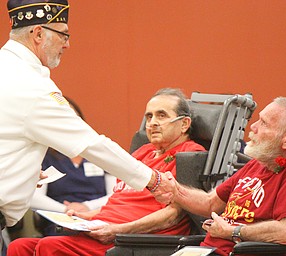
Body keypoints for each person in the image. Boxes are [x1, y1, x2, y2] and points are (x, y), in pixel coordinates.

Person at [0, 0, 167, 249]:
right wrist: (154, 180)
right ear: (38, 34)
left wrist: (18, 172)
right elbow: (91, 144)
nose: (67, 43)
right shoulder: (31, 85)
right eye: (63, 34)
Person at [6, 88, 206, 256]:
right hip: (104, 230)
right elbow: (118, 201)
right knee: (19, 247)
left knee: (49, 247)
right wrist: (85, 216)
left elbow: (173, 215)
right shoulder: (141, 152)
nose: (152, 122)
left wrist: (116, 230)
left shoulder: (190, 155)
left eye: (161, 115)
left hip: (135, 240)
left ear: (184, 124)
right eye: (149, 116)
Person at [157, 97, 286, 256]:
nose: (253, 127)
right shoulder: (258, 163)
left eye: (264, 123)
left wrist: (233, 231)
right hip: (207, 250)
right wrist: (174, 190)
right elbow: (210, 203)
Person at [31, 96, 116, 236]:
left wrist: (87, 207)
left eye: (73, 118)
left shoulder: (97, 152)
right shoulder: (44, 156)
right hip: (62, 220)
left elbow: (116, 194)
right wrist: (66, 210)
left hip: (99, 217)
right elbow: (34, 197)